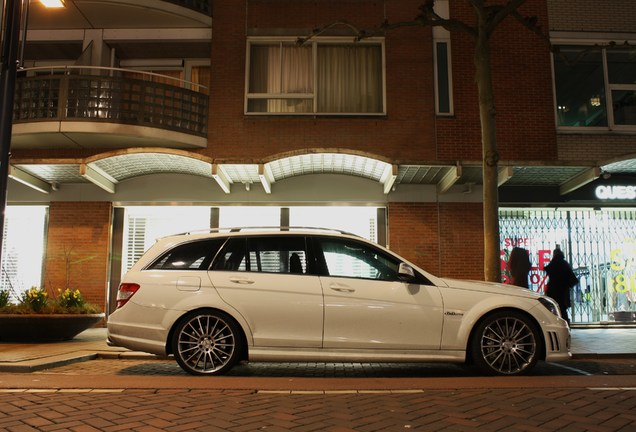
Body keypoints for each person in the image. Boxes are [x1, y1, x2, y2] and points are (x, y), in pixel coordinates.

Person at [544, 247, 578, 325]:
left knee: (554, 309)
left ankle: (557, 324)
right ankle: (566, 324)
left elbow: (547, 269)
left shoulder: (553, 263)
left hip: (554, 291)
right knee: (563, 310)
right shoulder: (565, 263)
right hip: (563, 291)